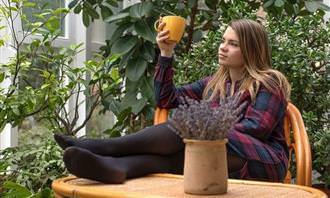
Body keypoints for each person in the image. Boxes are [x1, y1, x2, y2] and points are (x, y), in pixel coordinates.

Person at [54, 19, 291, 184]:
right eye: (223, 41)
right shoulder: (215, 83)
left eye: (233, 44)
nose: (223, 48)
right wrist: (166, 54)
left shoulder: (269, 82)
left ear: (251, 49)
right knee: (174, 156)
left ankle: (108, 147)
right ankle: (116, 168)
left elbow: (256, 129)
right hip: (215, 158)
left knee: (192, 123)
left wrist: (204, 129)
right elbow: (166, 99)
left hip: (261, 161)